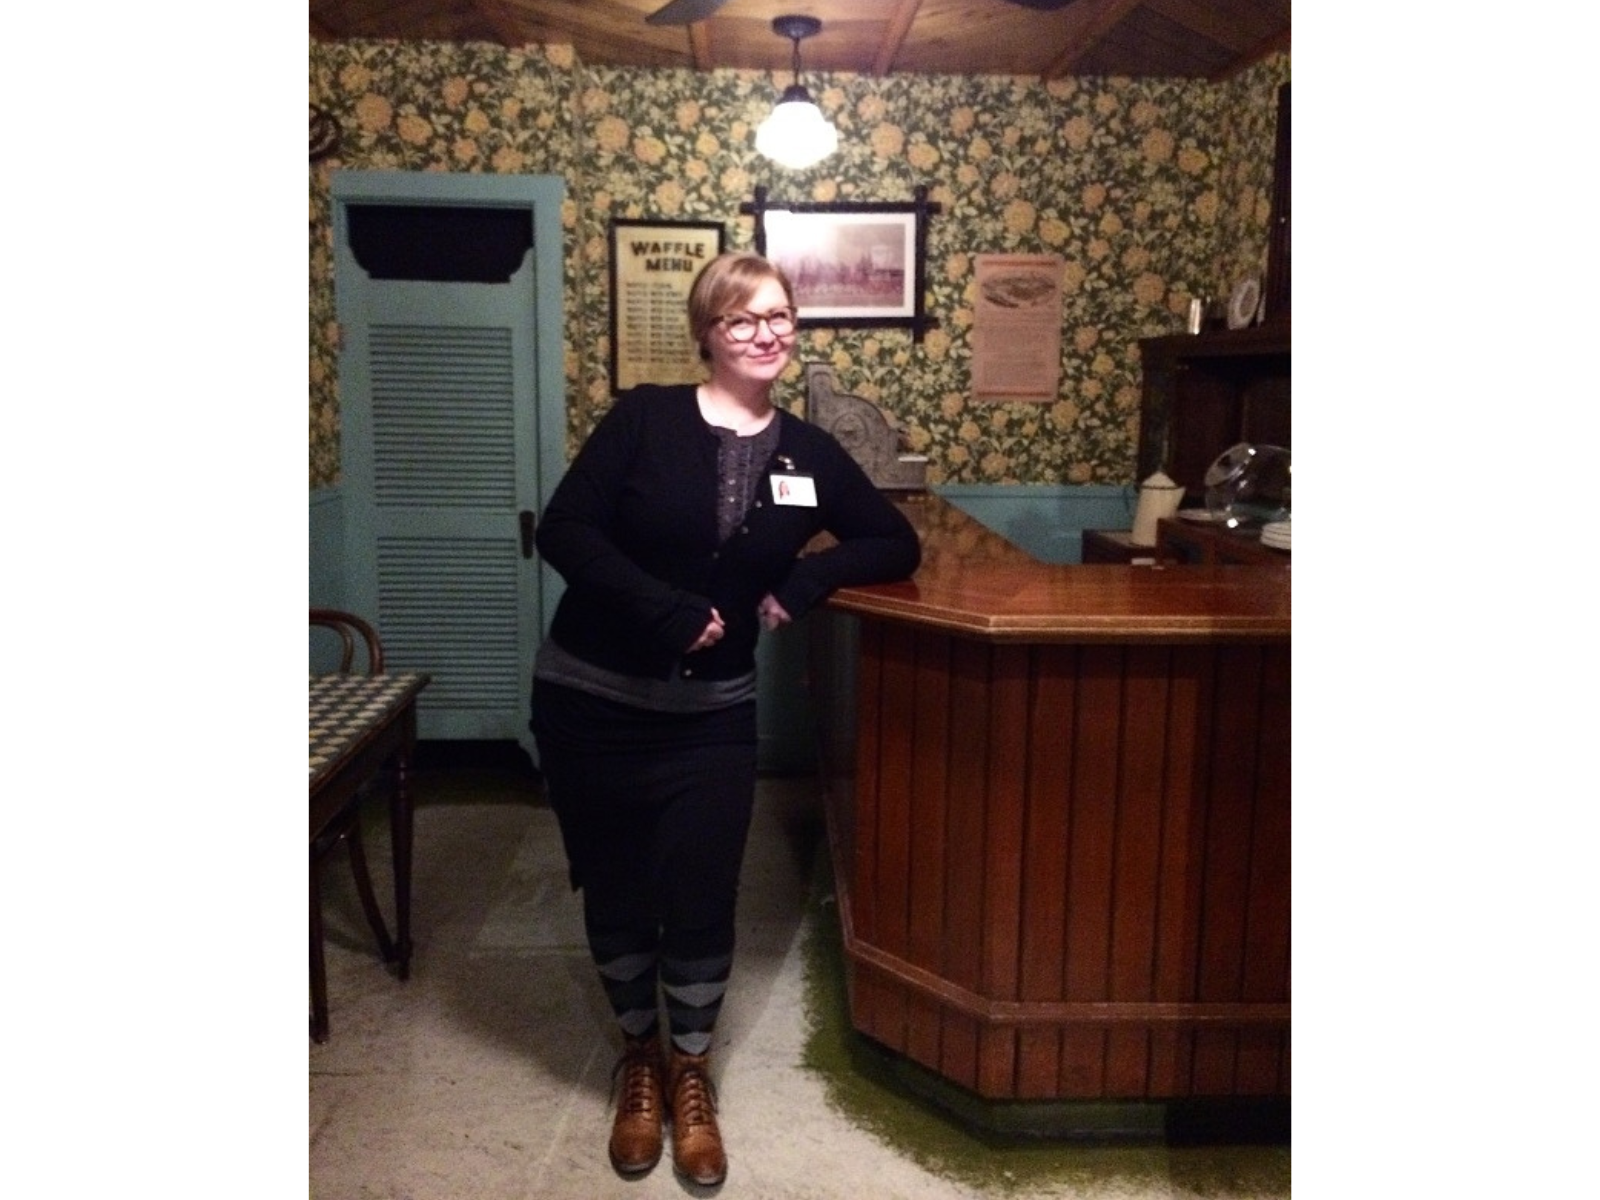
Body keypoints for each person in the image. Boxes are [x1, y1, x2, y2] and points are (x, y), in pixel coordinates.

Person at [529, 251, 921, 1186]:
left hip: (711, 714)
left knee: (703, 889)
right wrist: (661, 610)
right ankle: (638, 1061)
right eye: (743, 319)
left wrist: (809, 574)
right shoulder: (644, 419)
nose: (767, 333)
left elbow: (892, 538)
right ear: (708, 331)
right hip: (592, 699)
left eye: (780, 316)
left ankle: (691, 1068)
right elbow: (565, 530)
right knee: (618, 884)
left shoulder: (811, 453)